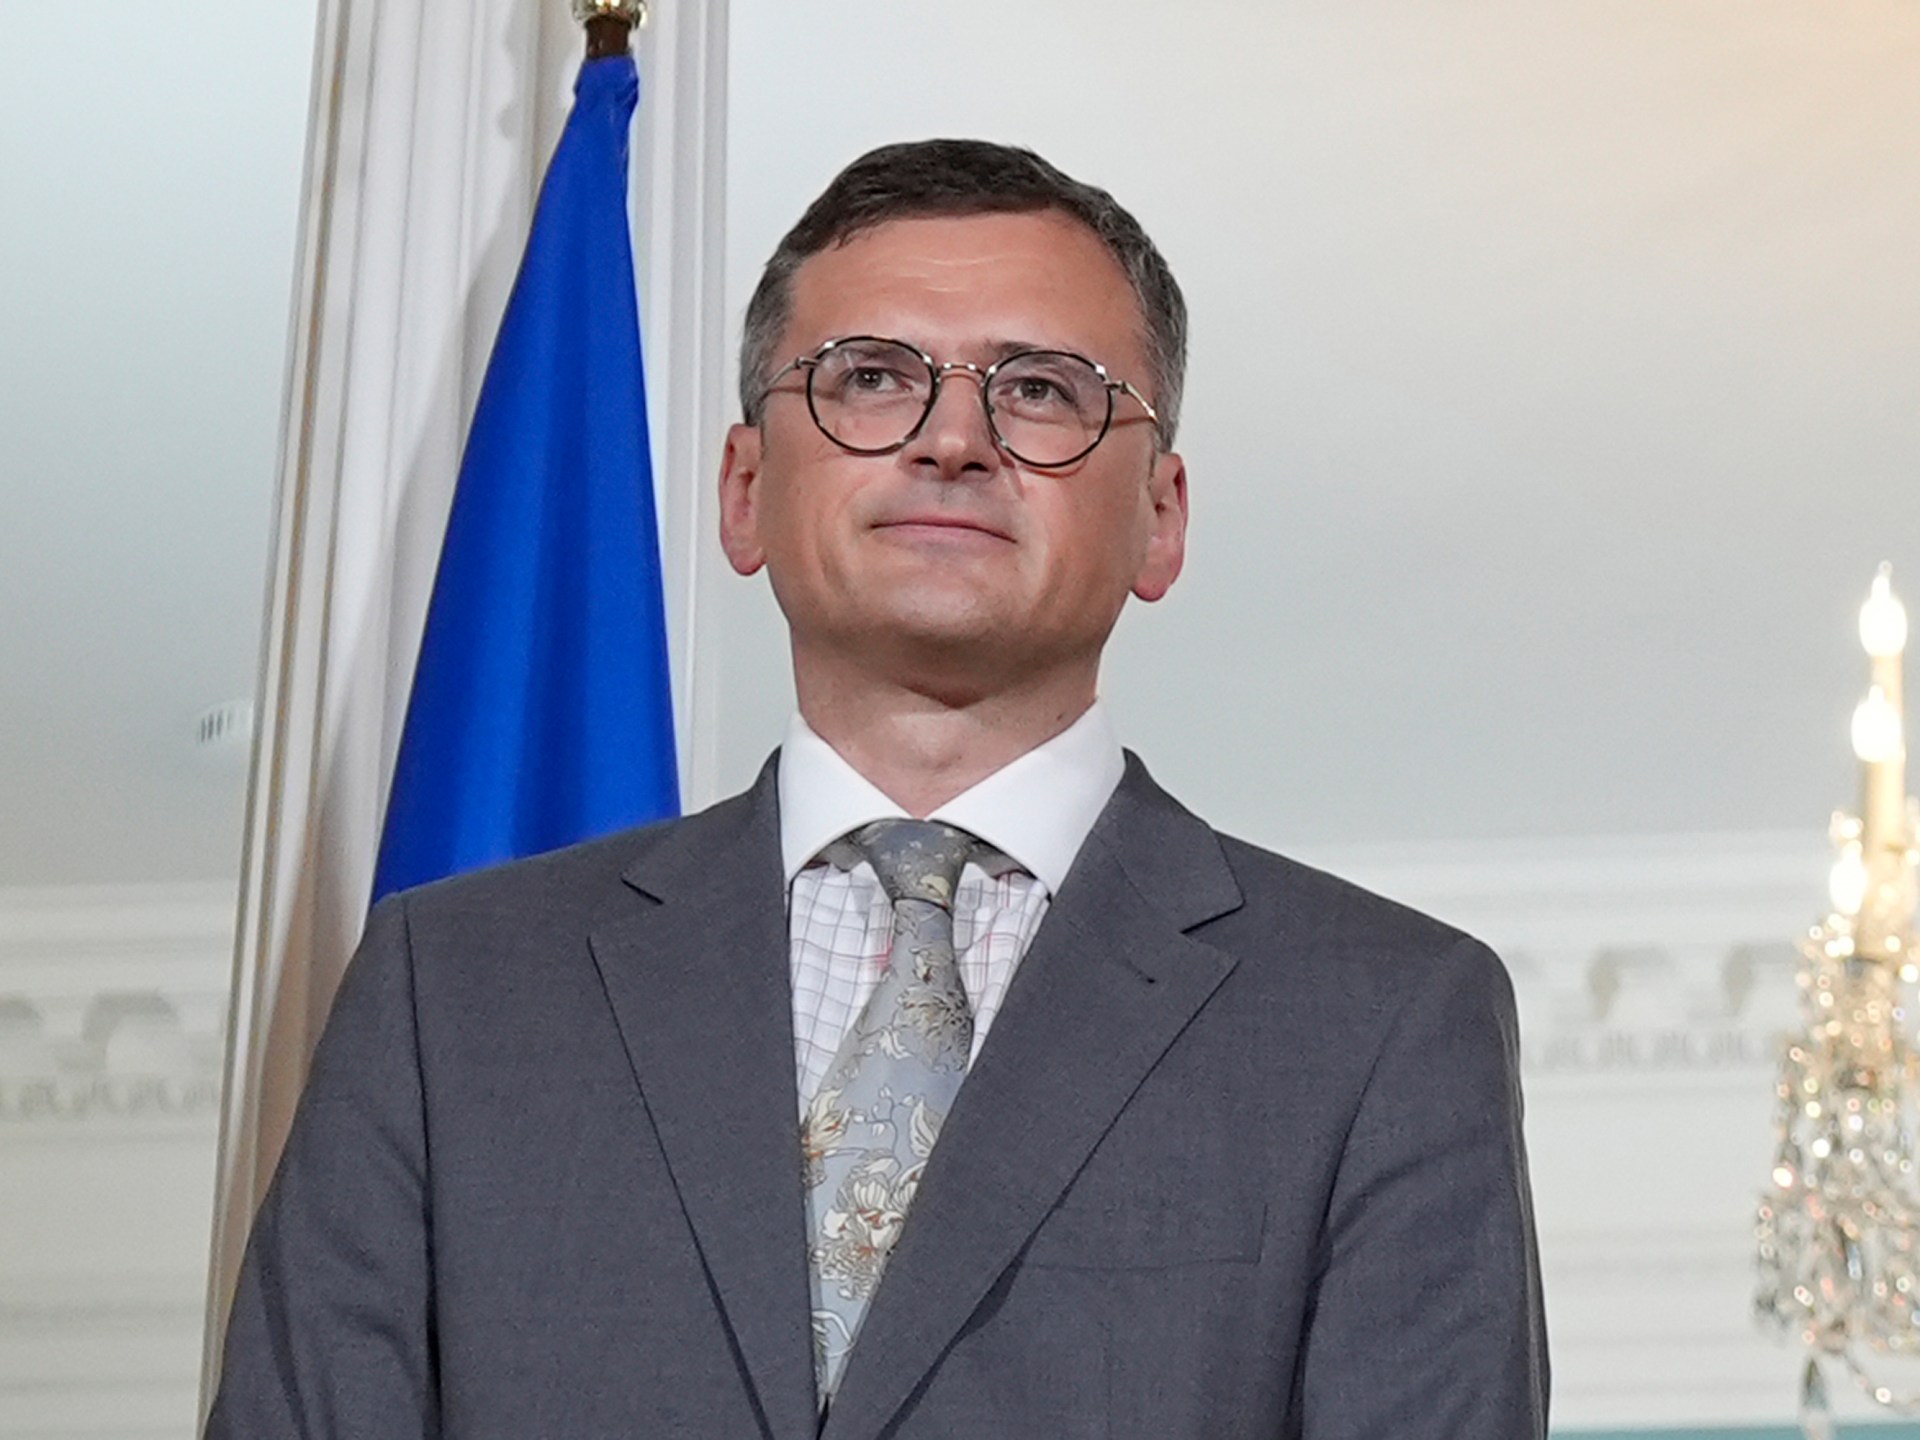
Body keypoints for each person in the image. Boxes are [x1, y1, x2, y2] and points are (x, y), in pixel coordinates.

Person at [207, 139, 1548, 1440]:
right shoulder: (452, 990)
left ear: (1162, 516)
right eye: (869, 377)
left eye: (1042, 389)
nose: (953, 438)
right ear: (745, 491)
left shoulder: (1385, 1019)